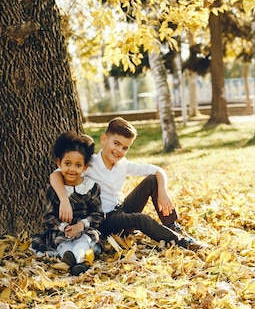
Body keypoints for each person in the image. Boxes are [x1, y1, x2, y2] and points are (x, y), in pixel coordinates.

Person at [50, 117, 206, 252]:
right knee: (141, 219)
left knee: (152, 180)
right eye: (116, 143)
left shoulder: (122, 164)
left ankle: (171, 225)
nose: (119, 150)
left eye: (125, 147)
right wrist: (64, 200)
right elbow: (56, 174)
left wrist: (163, 191)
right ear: (104, 139)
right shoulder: (89, 165)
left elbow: (158, 170)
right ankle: (182, 242)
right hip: (104, 221)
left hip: (121, 210)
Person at [32, 131, 104, 275]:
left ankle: (79, 260)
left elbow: (98, 214)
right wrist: (63, 227)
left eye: (78, 165)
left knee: (84, 241)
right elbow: (48, 216)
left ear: (85, 167)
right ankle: (69, 258)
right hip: (61, 230)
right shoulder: (54, 190)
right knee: (63, 243)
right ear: (59, 163)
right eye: (67, 163)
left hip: (84, 228)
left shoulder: (91, 187)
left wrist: (81, 225)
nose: (72, 169)